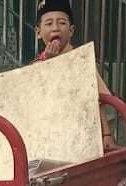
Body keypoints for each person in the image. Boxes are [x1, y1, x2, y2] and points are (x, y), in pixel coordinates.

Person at [33, 0, 117, 150]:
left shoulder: (82, 61)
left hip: (83, 135)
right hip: (51, 138)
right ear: (38, 32)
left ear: (71, 30)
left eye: (62, 23)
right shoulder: (37, 65)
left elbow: (98, 100)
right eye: (49, 23)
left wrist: (106, 134)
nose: (55, 28)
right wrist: (49, 63)